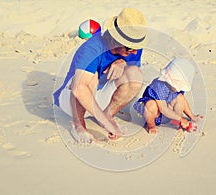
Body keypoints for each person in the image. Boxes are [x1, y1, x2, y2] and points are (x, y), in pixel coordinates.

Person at [53, 8, 147, 143]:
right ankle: (78, 126)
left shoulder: (132, 49)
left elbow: (132, 70)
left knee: (135, 74)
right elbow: (79, 88)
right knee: (91, 76)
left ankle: (108, 116)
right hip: (70, 100)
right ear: (116, 40)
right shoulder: (92, 48)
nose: (135, 52)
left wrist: (122, 62)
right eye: (131, 48)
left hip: (98, 97)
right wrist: (106, 125)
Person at [133, 57, 201, 134]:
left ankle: (177, 123)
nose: (179, 89)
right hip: (155, 114)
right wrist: (181, 118)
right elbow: (163, 109)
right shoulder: (159, 86)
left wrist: (191, 116)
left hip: (168, 114)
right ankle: (150, 125)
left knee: (180, 98)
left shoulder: (175, 88)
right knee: (151, 105)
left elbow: (183, 102)